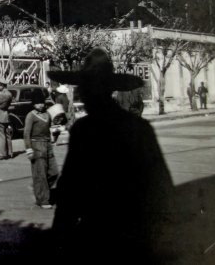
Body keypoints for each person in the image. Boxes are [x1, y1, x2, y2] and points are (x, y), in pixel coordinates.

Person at [49, 48, 175, 263]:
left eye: (86, 89)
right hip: (133, 233)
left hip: (100, 233)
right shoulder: (139, 127)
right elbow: (161, 187)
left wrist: (59, 238)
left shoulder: (84, 130)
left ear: (95, 91)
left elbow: (70, 191)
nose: (84, 95)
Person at [24, 90, 58, 209]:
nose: (41, 105)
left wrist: (54, 134)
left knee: (54, 172)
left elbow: (50, 129)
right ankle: (43, 200)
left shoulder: (47, 114)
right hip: (36, 145)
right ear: (33, 104)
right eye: (38, 103)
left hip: (47, 145)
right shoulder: (31, 115)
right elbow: (26, 133)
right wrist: (29, 149)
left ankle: (38, 188)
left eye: (42, 102)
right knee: (41, 173)